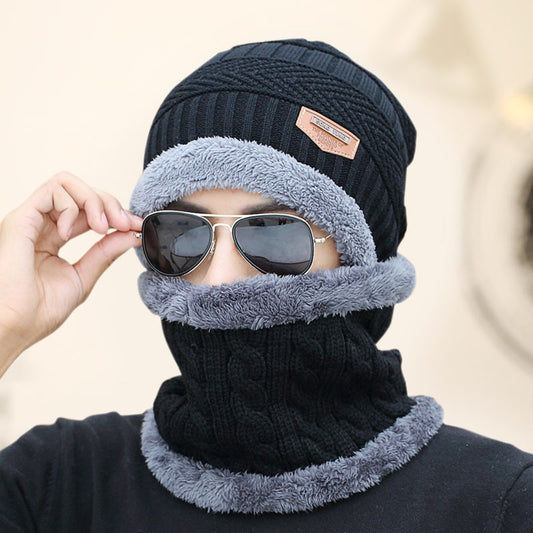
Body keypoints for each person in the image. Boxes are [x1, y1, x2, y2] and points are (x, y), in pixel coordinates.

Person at [0, 38, 531, 532]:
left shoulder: (498, 504)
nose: (220, 277)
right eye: (182, 233)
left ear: (359, 263)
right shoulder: (58, 483)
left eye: (274, 233)